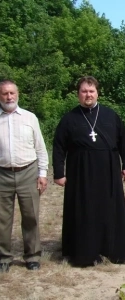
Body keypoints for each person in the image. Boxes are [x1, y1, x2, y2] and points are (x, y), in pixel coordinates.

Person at [52, 76, 125, 266]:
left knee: (109, 209)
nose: (88, 95)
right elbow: (58, 147)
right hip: (80, 172)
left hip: (108, 170)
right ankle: (84, 253)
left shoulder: (110, 115)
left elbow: (123, 142)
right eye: (84, 91)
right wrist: (59, 173)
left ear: (98, 93)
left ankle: (113, 250)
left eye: (91, 91)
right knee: (84, 210)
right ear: (78, 94)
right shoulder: (69, 118)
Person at [0, 80, 48, 272]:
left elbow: (41, 148)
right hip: (2, 174)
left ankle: (33, 256)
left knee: (31, 216)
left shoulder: (30, 118)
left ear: (18, 94)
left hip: (28, 172)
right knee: (2, 219)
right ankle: (3, 258)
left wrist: (42, 174)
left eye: (12, 93)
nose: (9, 97)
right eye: (5, 94)